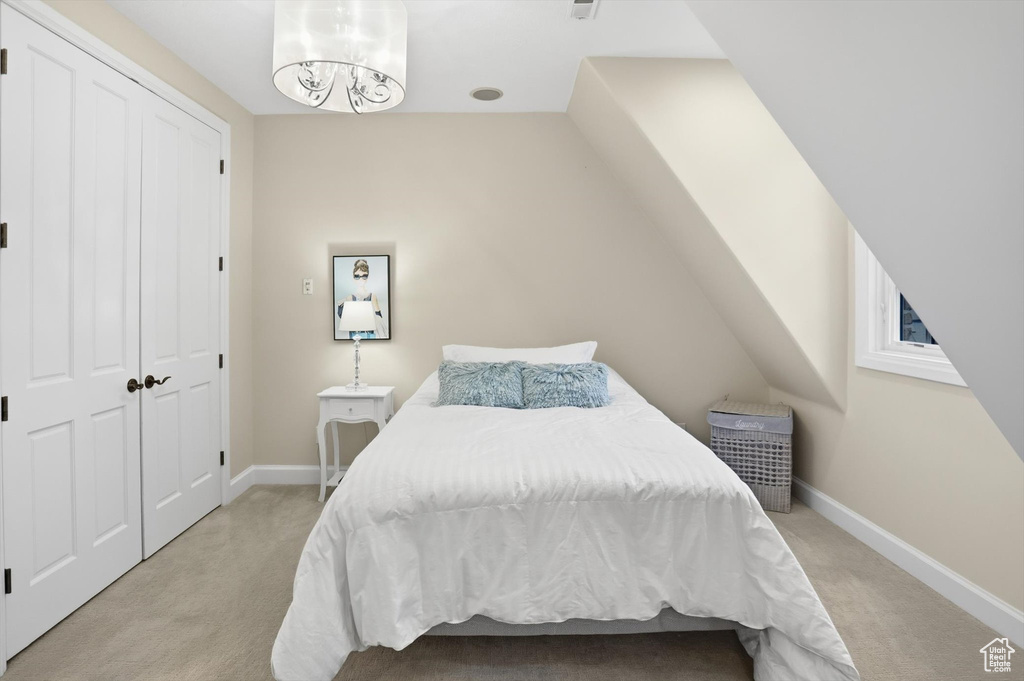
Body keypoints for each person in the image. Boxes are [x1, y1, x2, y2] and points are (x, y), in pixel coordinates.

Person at [337, 259, 389, 339]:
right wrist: (342, 306)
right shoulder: (350, 297)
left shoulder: (372, 296)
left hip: (369, 334)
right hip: (354, 334)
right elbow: (343, 318)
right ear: (353, 278)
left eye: (364, 276)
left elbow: (379, 318)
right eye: (357, 276)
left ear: (367, 278)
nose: (361, 279)